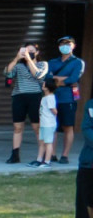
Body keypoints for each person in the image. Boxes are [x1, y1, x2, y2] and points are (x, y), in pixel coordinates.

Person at [8, 42, 49, 164]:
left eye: (31, 51)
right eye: (26, 51)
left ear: (37, 52)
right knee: (17, 127)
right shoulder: (19, 66)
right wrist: (16, 58)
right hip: (18, 97)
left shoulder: (43, 64)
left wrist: (29, 59)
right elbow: (7, 73)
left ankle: (42, 155)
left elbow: (38, 75)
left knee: (37, 127)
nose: (28, 53)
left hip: (35, 97)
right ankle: (15, 155)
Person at [47, 36, 83, 164]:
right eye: (62, 44)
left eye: (68, 43)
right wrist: (63, 79)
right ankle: (52, 154)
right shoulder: (52, 62)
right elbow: (47, 78)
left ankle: (65, 155)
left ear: (74, 46)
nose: (65, 46)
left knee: (68, 126)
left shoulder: (77, 62)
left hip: (68, 98)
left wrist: (56, 79)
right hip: (52, 98)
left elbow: (73, 79)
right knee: (52, 127)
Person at [37, 90, 60, 168]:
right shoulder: (44, 97)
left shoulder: (50, 97)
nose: (43, 85)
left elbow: (54, 110)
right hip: (43, 123)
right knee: (42, 142)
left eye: (44, 84)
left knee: (48, 142)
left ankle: (47, 161)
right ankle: (39, 160)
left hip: (48, 124)